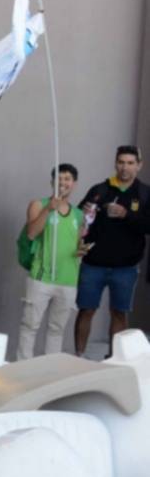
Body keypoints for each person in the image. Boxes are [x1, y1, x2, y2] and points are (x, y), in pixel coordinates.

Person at [75, 145, 150, 355]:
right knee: (86, 310)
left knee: (119, 313)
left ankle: (114, 358)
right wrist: (88, 213)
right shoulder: (100, 189)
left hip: (126, 267)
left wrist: (126, 215)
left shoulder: (145, 193)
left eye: (130, 163)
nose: (124, 167)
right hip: (93, 264)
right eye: (121, 162)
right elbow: (80, 217)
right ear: (115, 163)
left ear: (139, 166)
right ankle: (79, 357)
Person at [18, 164, 85, 359]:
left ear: (74, 184)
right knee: (30, 325)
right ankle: (23, 369)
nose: (63, 183)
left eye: (67, 179)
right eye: (59, 178)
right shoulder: (38, 205)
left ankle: (50, 370)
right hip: (42, 277)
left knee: (57, 329)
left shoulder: (78, 214)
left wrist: (81, 250)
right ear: (52, 182)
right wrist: (49, 208)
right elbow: (31, 233)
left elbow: (76, 245)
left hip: (68, 280)